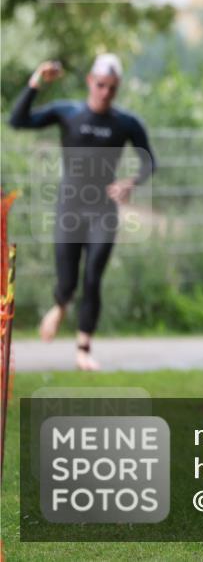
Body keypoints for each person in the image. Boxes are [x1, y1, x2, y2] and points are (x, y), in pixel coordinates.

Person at [8, 54, 155, 371]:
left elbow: (149, 161)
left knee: (92, 278)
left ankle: (83, 350)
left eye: (112, 88)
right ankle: (61, 305)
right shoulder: (68, 112)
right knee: (67, 282)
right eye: (101, 85)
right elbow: (17, 120)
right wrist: (36, 81)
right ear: (90, 81)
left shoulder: (126, 123)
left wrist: (131, 182)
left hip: (103, 212)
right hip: (69, 210)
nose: (105, 93)